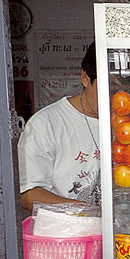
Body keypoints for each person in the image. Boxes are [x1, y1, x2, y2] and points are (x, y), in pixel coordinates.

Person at [18, 42, 101, 211]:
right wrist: (89, 212)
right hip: (64, 235)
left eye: (119, 89)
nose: (114, 97)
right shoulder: (46, 124)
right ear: (85, 78)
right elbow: (28, 195)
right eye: (108, 87)